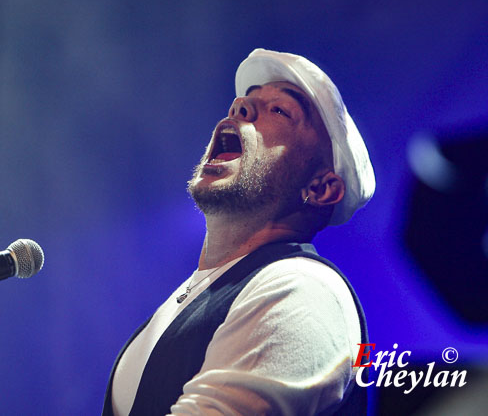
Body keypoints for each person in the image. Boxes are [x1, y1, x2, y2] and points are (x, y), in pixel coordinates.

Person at [102, 49, 375, 416]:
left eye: (280, 110)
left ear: (321, 188)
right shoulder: (196, 296)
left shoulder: (303, 291)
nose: (239, 108)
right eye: (245, 102)